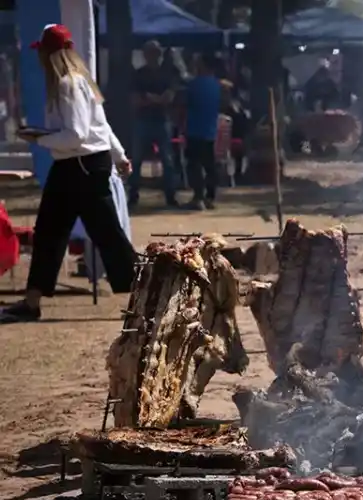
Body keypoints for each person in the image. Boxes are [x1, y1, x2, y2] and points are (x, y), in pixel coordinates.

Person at [0, 24, 134, 324]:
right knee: (52, 231)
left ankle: (148, 291)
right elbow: (103, 127)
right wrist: (120, 155)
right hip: (81, 165)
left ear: (50, 53)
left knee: (105, 234)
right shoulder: (81, 81)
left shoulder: (68, 84)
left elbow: (75, 135)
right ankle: (32, 301)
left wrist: (40, 139)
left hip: (81, 165)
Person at [129, 39, 178, 208]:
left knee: (167, 160)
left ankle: (170, 196)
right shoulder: (138, 74)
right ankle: (133, 195)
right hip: (142, 120)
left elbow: (169, 98)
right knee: (136, 160)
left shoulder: (167, 74)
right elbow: (135, 101)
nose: (151, 55)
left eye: (154, 52)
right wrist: (158, 99)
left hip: (162, 120)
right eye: (148, 52)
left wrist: (149, 98)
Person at [184, 52, 222, 210]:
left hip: (194, 129)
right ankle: (210, 196)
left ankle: (198, 196)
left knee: (194, 165)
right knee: (209, 164)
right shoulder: (217, 85)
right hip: (210, 130)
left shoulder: (194, 84)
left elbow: (185, 104)